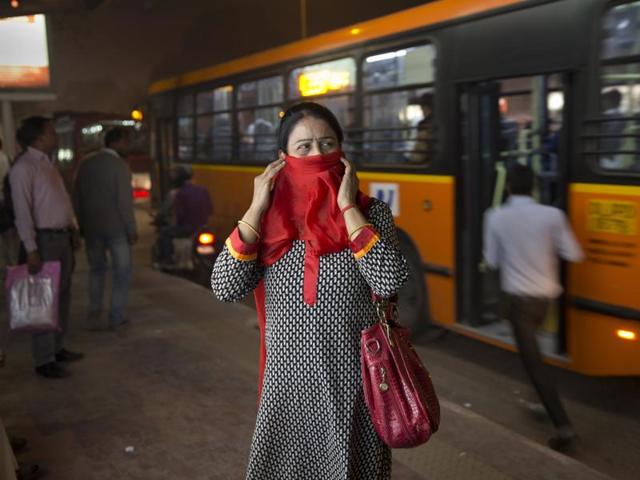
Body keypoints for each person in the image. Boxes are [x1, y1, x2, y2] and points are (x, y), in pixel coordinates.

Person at [211, 102, 409, 479]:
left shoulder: (372, 213)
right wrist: (255, 207)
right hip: (288, 392)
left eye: (327, 143)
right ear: (283, 158)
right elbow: (224, 286)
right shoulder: (268, 216)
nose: (318, 155)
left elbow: (388, 280)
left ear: (343, 152)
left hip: (356, 388)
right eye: (304, 147)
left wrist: (348, 207)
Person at [484, 163, 583, 452]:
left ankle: (564, 429)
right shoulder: (552, 216)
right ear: (535, 187)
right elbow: (574, 253)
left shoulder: (496, 216)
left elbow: (492, 260)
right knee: (533, 352)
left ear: (509, 187)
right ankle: (535, 400)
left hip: (520, 305)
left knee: (534, 363)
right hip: (546, 301)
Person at [9, 116, 84, 379]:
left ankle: (58, 347)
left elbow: (62, 202)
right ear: (39, 137)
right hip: (43, 240)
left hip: (61, 238)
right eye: (52, 132)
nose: (56, 135)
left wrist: (73, 228)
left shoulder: (47, 164)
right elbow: (22, 212)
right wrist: (31, 248)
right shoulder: (24, 168)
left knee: (62, 295)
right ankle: (44, 359)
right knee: (43, 299)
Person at [72, 127, 138, 330]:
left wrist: (81, 225)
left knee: (96, 270)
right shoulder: (120, 166)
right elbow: (124, 203)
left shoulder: (85, 164)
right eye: (126, 142)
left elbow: (77, 198)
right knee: (122, 272)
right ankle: (116, 316)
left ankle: (94, 311)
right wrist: (131, 229)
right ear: (116, 142)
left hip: (91, 229)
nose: (129, 146)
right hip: (116, 229)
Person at [156, 165, 212, 265]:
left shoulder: (178, 193)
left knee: (165, 233)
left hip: (186, 228)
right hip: (202, 228)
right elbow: (210, 210)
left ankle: (167, 260)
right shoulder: (203, 190)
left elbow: (179, 216)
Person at [407, 92, 434, 164]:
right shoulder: (439, 120)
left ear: (426, 108)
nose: (421, 110)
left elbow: (420, 152)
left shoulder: (424, 124)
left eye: (421, 108)